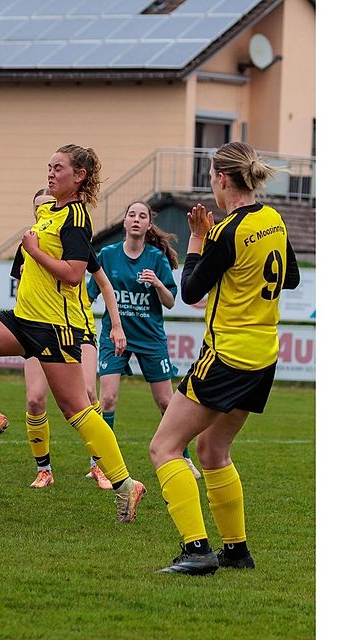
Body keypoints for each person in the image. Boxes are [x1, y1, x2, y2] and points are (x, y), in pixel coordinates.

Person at [0, 144, 146, 524]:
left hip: (53, 328)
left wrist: (34, 250)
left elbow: (75, 274)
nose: (50, 173)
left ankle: (125, 484)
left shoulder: (78, 219)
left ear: (78, 176)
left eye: (58, 167)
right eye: (48, 166)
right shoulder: (49, 210)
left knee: (76, 409)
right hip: (22, 319)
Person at [149, 142, 299, 574]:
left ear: (221, 179)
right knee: (213, 450)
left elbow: (190, 292)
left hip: (228, 355)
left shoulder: (225, 230)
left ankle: (196, 551)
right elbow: (288, 277)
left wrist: (197, 237)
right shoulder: (273, 219)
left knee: (164, 447)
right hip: (263, 356)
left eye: (211, 177)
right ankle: (237, 551)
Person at [18, 189, 127, 490]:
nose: (45, 211)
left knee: (88, 395)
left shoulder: (74, 241)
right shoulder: (28, 243)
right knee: (34, 398)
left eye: (48, 206)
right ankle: (44, 470)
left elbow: (103, 285)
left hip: (76, 329)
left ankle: (99, 466)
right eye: (38, 207)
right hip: (37, 329)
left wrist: (116, 325)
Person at [87, 201, 201, 479]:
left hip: (150, 338)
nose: (136, 219)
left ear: (149, 225)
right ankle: (101, 463)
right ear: (124, 222)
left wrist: (158, 284)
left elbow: (171, 302)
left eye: (142, 216)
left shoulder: (156, 258)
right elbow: (89, 295)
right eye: (131, 215)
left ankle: (184, 457)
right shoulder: (108, 255)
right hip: (115, 336)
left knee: (165, 401)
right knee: (109, 398)